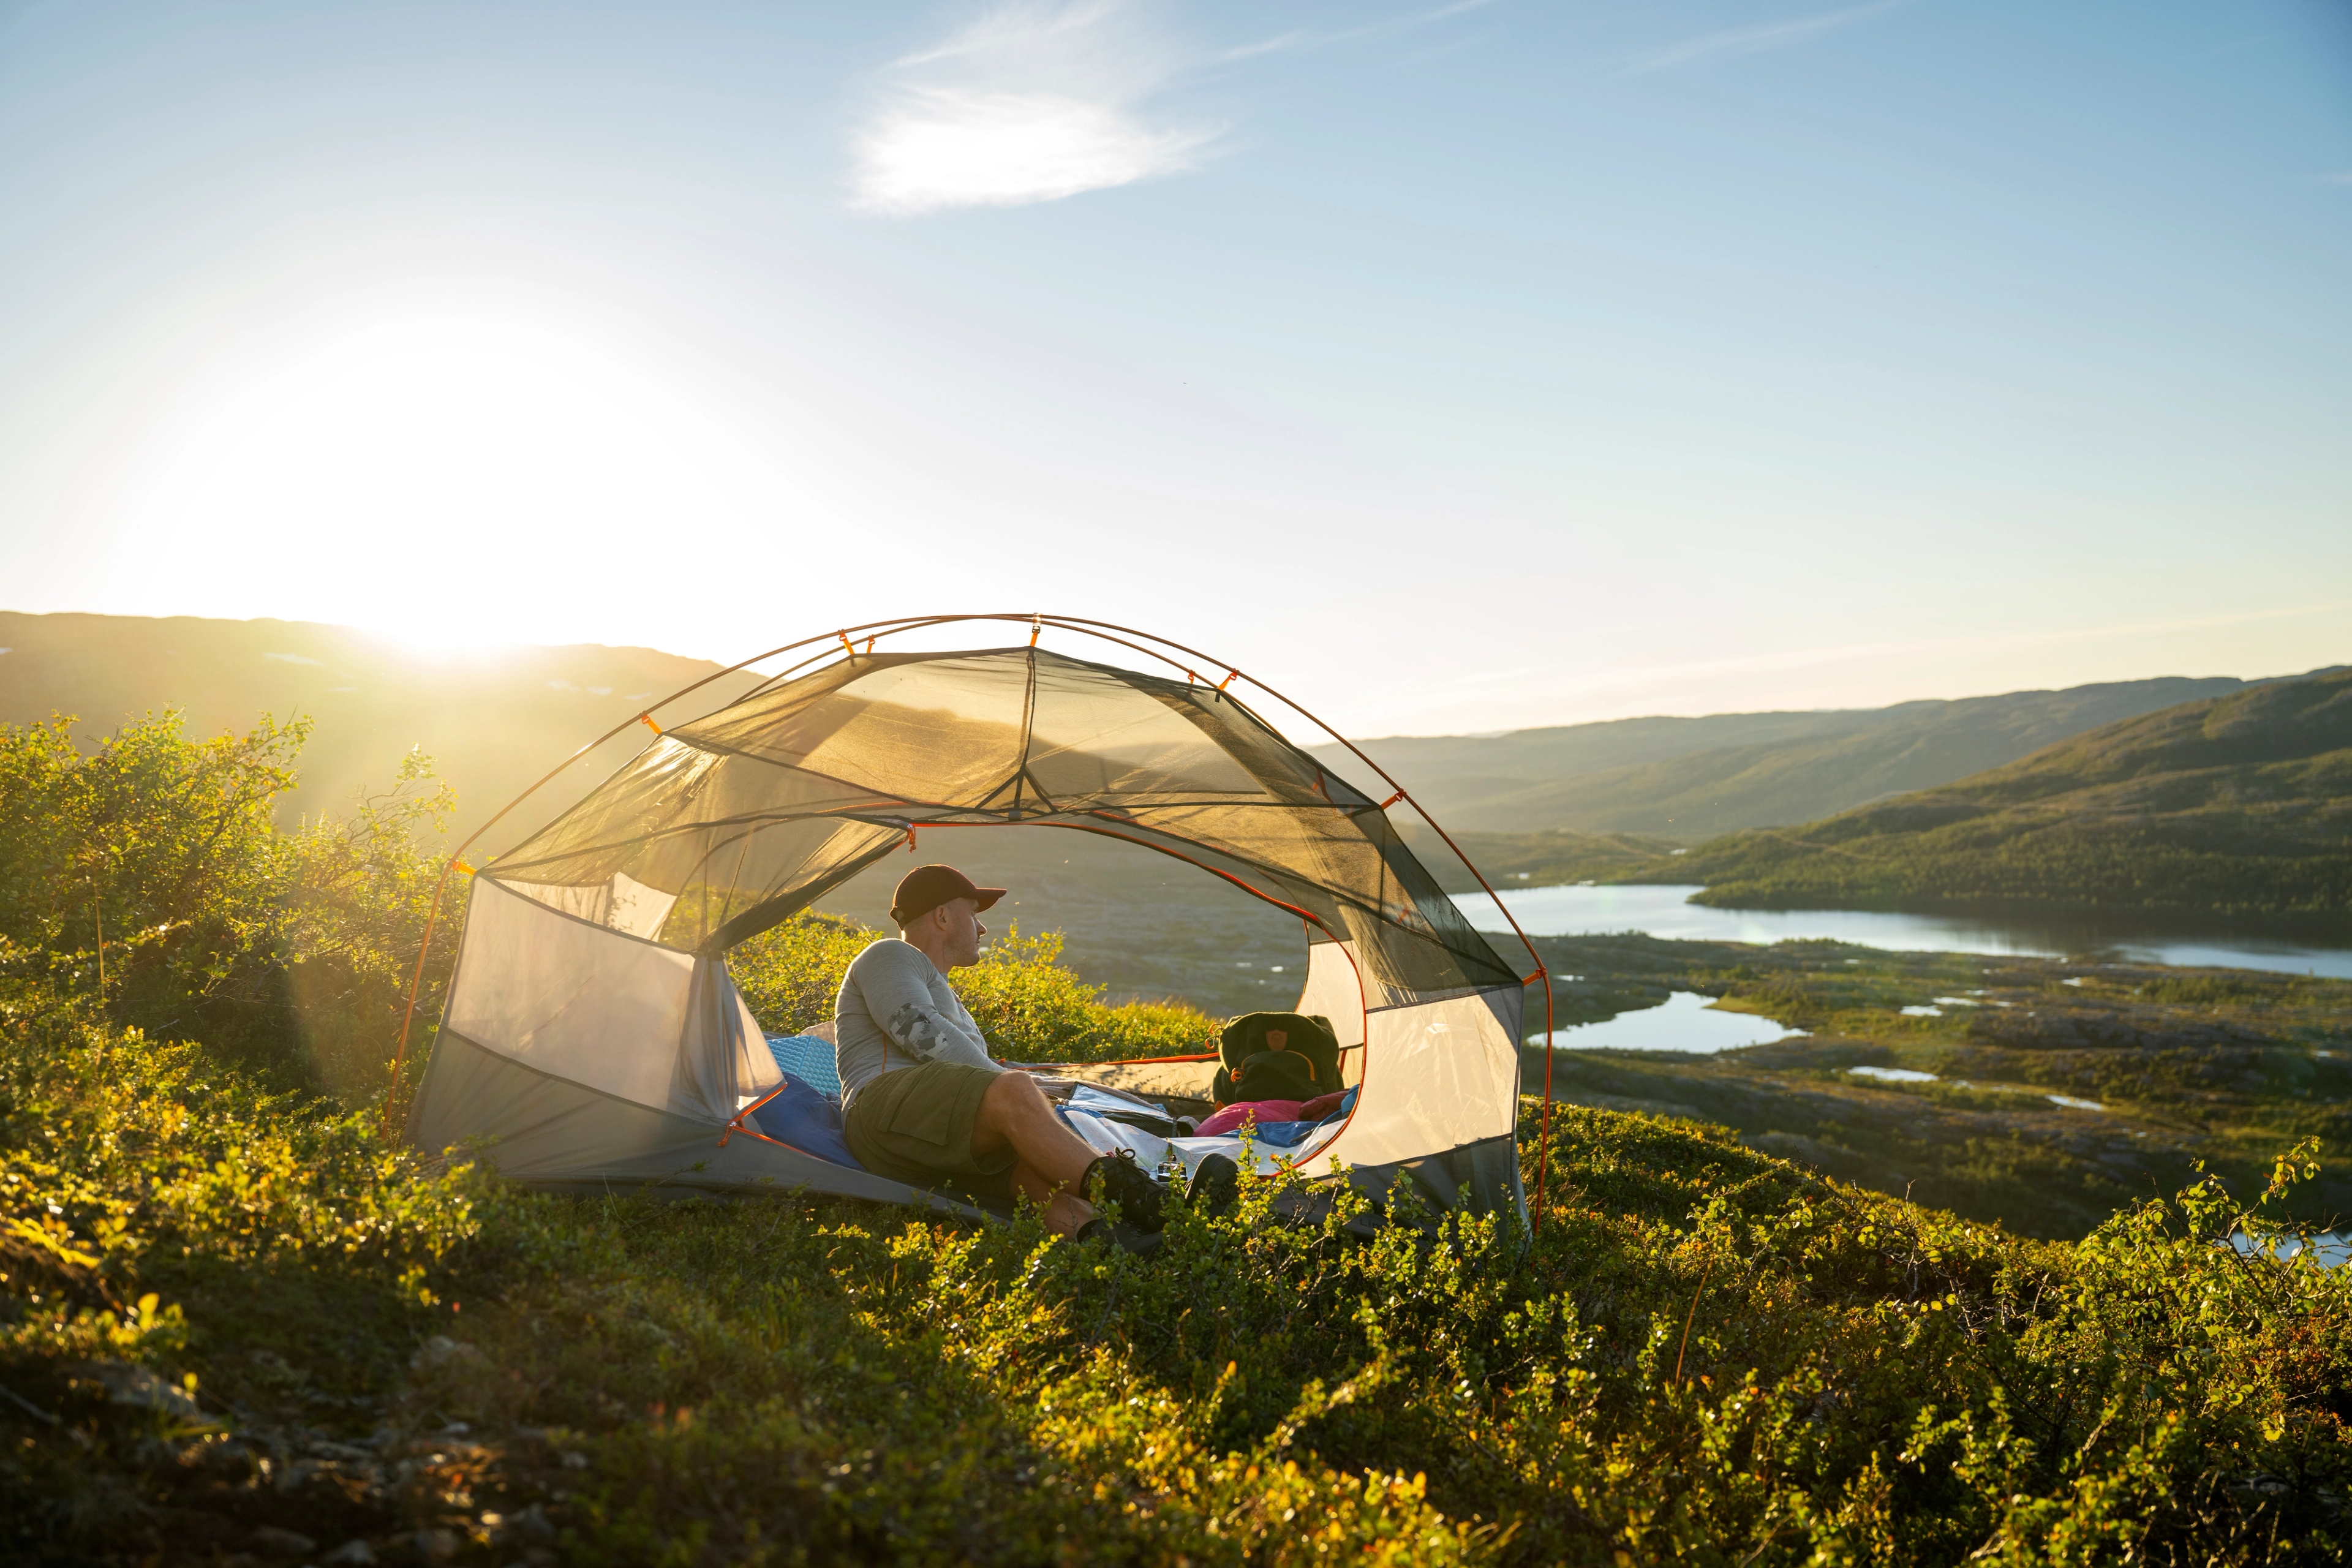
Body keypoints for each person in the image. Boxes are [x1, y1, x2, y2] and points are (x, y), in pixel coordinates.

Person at [835, 863, 1219, 1252]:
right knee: (1014, 1089)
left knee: (1037, 1176)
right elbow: (915, 1027)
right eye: (973, 914)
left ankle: (1122, 1246)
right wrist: (1016, 1090)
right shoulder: (890, 954)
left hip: (928, 1134)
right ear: (943, 916)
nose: (982, 929)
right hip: (882, 1111)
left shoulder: (945, 994)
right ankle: (1156, 1206)